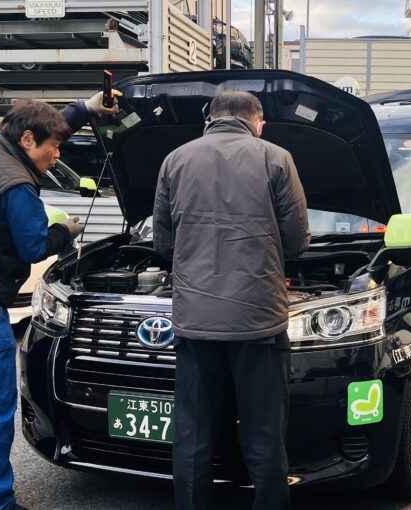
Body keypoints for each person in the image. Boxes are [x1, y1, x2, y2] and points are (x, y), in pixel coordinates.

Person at [0, 91, 117, 510]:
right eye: (55, 147)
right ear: (28, 141)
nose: (58, 154)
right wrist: (66, 229)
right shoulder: (17, 187)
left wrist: (86, 109)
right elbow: (34, 246)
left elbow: (46, 126)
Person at [153, 91, 309, 510]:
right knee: (262, 434)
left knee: (193, 435)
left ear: (209, 120)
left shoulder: (175, 159)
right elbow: (295, 241)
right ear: (258, 124)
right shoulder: (276, 158)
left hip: (195, 321)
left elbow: (163, 242)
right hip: (257, 321)